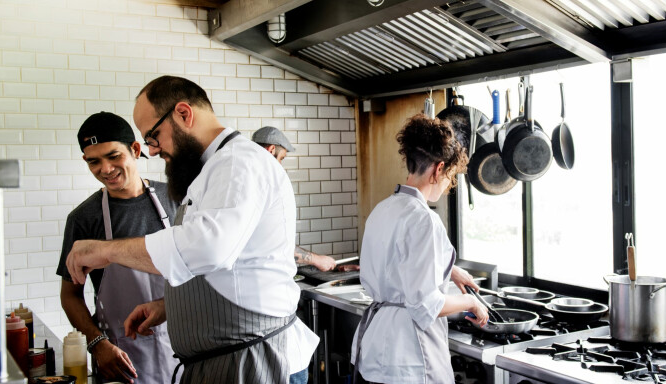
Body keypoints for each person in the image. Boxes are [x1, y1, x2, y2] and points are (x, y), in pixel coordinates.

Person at [64, 76, 318, 384]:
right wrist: (169, 306)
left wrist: (105, 249)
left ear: (184, 114)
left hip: (256, 360)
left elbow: (207, 248)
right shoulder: (212, 170)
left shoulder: (238, 162)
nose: (153, 151)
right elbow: (230, 271)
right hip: (230, 359)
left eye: (153, 136)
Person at [350, 114, 489, 384]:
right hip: (410, 360)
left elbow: (400, 265)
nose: (449, 185)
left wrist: (450, 271)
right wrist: (472, 302)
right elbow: (426, 305)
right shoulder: (425, 220)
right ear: (438, 170)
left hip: (375, 349)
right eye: (450, 176)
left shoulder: (383, 209)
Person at [56, 112, 178, 384]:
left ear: (135, 149)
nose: (106, 169)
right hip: (121, 359)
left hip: (184, 348)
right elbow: (70, 295)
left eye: (113, 156)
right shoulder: (84, 219)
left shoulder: (177, 200)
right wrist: (97, 344)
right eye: (94, 161)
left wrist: (167, 305)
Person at [252, 125, 338, 272]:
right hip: (263, 279)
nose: (280, 166)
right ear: (271, 150)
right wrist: (316, 260)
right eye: (282, 158)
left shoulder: (248, 180)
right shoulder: (264, 186)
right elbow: (275, 244)